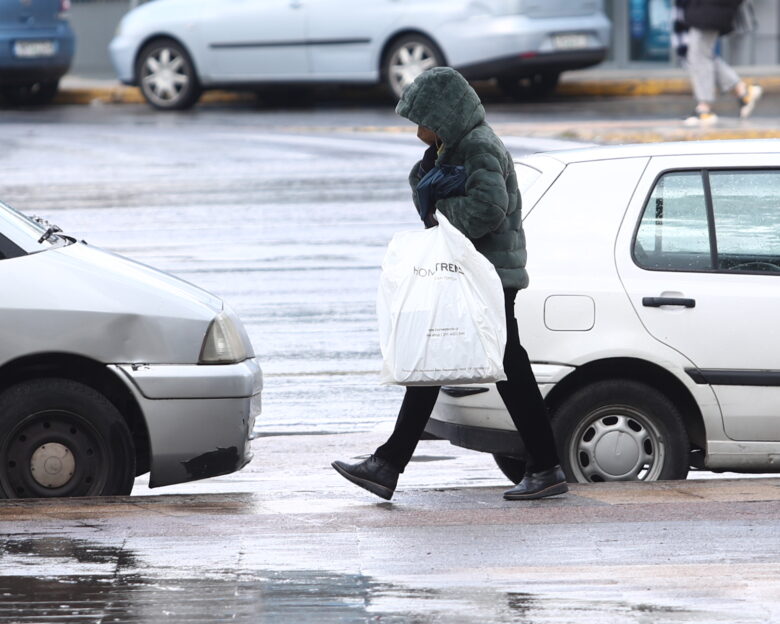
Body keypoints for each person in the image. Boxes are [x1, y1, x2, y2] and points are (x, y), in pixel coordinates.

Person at [331, 67, 567, 502]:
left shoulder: (478, 145)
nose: (418, 131)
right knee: (466, 361)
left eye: (424, 121)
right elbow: (431, 191)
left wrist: (439, 201)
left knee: (490, 365)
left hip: (487, 277)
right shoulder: (455, 145)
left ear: (444, 116)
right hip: (475, 273)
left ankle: (544, 467)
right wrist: (430, 176)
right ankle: (389, 465)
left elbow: (487, 209)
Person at [678, 0, 761, 126]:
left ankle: (704, 109)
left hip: (709, 8)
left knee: (699, 55)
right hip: (709, 8)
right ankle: (742, 91)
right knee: (701, 54)